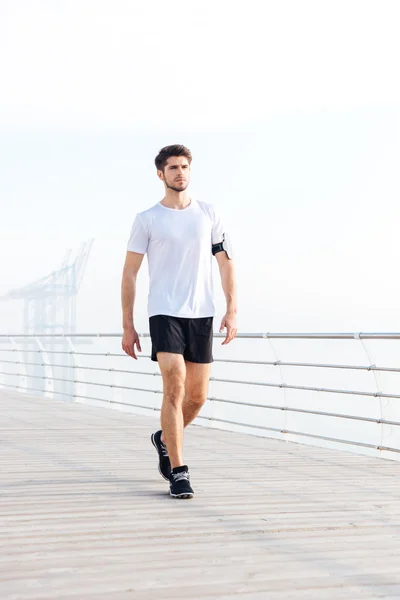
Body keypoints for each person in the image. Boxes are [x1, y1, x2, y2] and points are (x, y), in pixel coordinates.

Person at [121, 144, 237, 499]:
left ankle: (163, 438)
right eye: (172, 168)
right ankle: (179, 472)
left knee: (197, 397)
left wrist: (232, 308)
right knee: (175, 384)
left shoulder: (209, 214)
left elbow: (226, 262)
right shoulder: (147, 219)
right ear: (161, 174)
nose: (180, 172)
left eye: (184, 166)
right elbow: (129, 273)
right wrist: (128, 324)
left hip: (201, 313)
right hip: (164, 312)